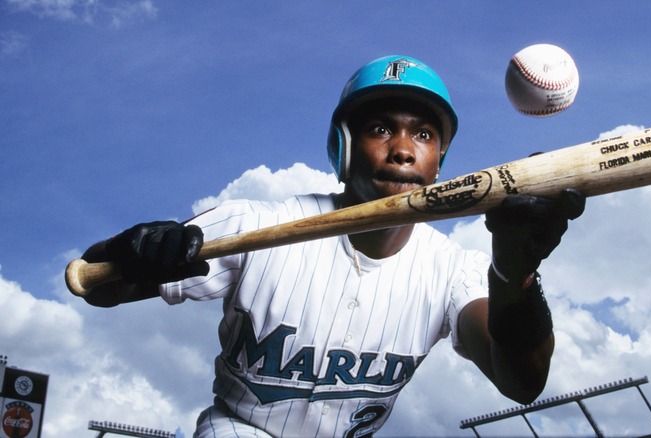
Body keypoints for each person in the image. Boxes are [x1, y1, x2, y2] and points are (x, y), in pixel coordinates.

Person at [80, 55, 585, 437]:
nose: (404, 149)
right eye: (381, 128)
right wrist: (133, 250)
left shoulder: (453, 270)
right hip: (239, 429)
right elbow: (98, 284)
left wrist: (515, 271)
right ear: (342, 145)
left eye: (425, 134)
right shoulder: (259, 224)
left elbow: (521, 381)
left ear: (438, 159)